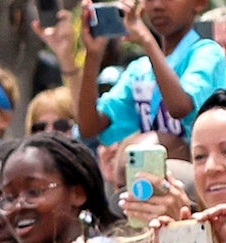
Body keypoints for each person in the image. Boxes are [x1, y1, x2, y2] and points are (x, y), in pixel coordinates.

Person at [77, 0, 226, 148]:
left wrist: (145, 39)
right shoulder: (141, 70)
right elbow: (89, 128)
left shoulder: (208, 53)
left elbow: (180, 107)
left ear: (199, 3)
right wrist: (93, 55)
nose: (157, 6)